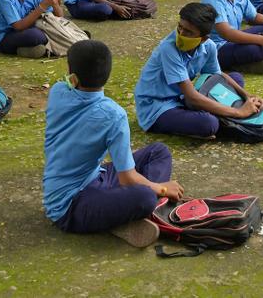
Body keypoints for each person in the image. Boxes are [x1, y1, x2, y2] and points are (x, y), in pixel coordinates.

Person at [43, 40, 184, 247]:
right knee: (146, 195)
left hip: (95, 177)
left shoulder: (57, 91)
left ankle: (121, 212)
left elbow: (126, 176)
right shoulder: (114, 114)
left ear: (72, 77)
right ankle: (128, 213)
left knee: (158, 152)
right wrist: (162, 189)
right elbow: (127, 178)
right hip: (69, 207)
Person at [134, 3, 263, 139]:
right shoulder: (169, 49)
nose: (181, 34)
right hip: (158, 106)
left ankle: (220, 116)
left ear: (203, 38)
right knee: (209, 123)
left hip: (182, 98)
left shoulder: (209, 46)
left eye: (188, 32)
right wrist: (239, 112)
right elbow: (192, 97)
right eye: (180, 27)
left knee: (235, 78)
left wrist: (247, 95)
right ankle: (222, 117)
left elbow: (217, 75)